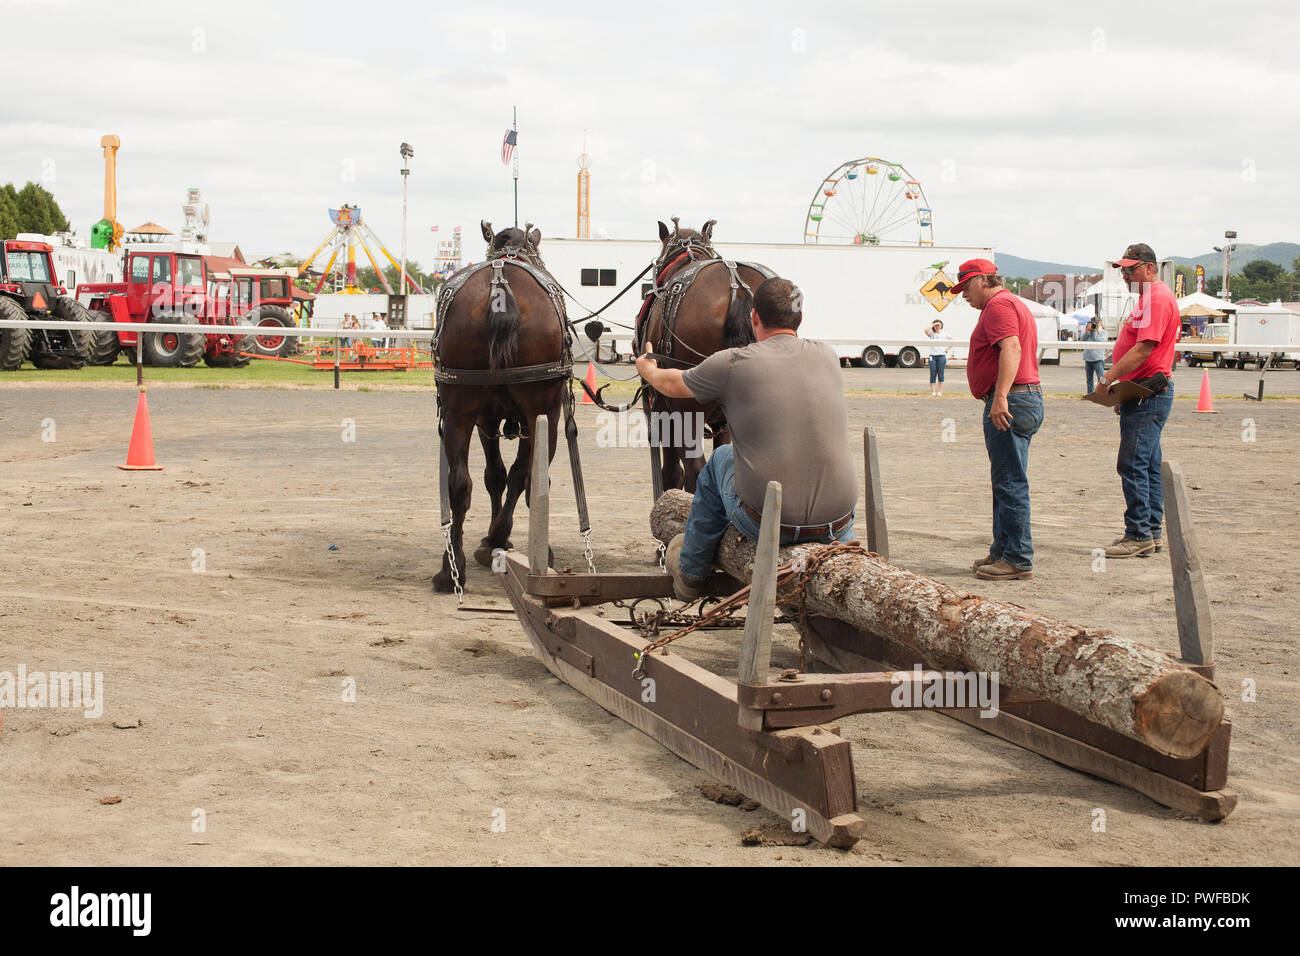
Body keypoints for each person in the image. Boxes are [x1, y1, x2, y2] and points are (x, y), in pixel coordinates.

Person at [635, 277, 858, 600]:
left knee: (721, 460)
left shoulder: (733, 363)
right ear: (800, 318)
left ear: (753, 317)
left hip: (768, 523)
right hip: (837, 523)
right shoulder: (827, 355)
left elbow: (671, 385)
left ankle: (691, 573)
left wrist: (648, 369)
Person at [952, 259, 1043, 581]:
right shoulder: (1011, 303)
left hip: (1012, 399)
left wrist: (1001, 396)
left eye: (964, 287)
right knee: (1006, 479)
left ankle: (1017, 557)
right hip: (1022, 396)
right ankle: (1003, 550)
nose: (963, 295)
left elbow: (1011, 347)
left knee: (1010, 482)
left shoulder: (998, 306)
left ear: (979, 280)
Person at [1093, 243, 1179, 558]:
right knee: (1147, 465)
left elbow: (1144, 349)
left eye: (1131, 269)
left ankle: (1139, 533)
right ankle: (1150, 531)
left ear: (1149, 268)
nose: (1126, 275)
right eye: (1124, 271)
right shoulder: (1151, 297)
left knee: (1132, 463)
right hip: (1143, 390)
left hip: (1147, 391)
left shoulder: (1155, 299)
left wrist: (1107, 379)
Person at [924, 318, 952, 396]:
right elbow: (925, 330)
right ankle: (933, 391)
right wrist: (933, 324)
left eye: (938, 325)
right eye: (936, 325)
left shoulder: (945, 334)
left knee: (941, 373)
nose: (937, 326)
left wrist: (946, 350)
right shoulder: (932, 334)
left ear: (941, 325)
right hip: (932, 355)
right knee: (933, 373)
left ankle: (939, 391)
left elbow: (952, 342)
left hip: (941, 356)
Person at [1081, 318, 1106, 393]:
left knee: (1101, 379)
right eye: (1093, 324)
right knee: (1089, 379)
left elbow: (1099, 341)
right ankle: (1090, 394)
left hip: (1098, 358)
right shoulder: (1088, 332)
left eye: (1095, 324)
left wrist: (1094, 332)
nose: (1094, 325)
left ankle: (1101, 394)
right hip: (1088, 358)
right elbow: (1082, 340)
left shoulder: (1103, 332)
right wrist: (1087, 331)